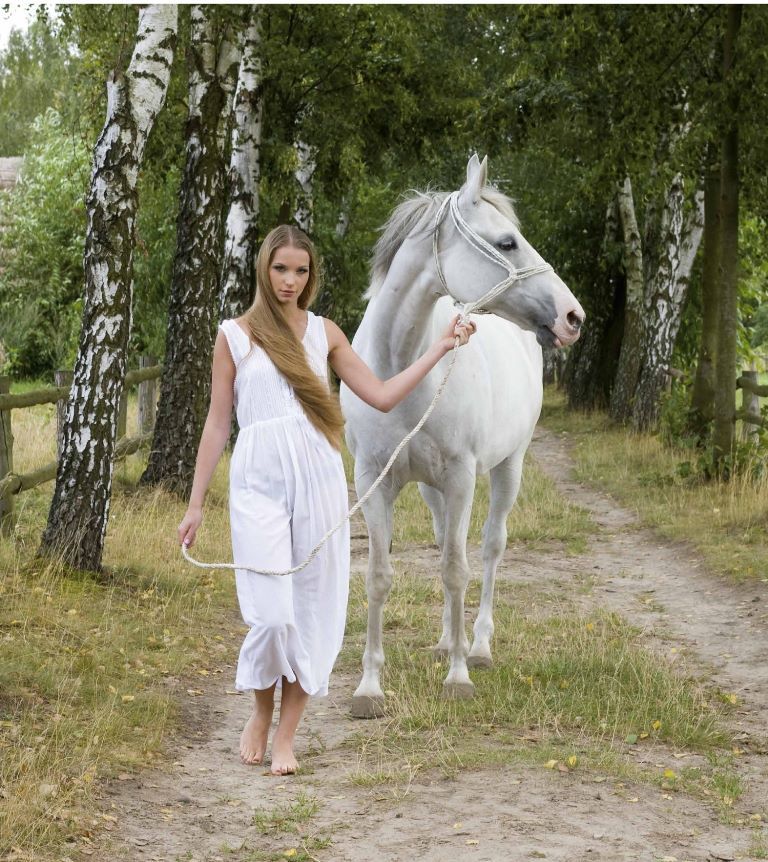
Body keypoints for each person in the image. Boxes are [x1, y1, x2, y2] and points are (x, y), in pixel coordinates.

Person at [177, 225, 476, 775]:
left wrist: (441, 346)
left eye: (301, 270)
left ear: (310, 276)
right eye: (280, 268)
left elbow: (382, 396)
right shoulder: (235, 336)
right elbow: (218, 424)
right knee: (270, 614)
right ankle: (260, 714)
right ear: (264, 269)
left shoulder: (324, 333)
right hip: (257, 481)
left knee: (312, 609)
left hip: (317, 476)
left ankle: (287, 736)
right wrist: (196, 504)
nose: (290, 281)